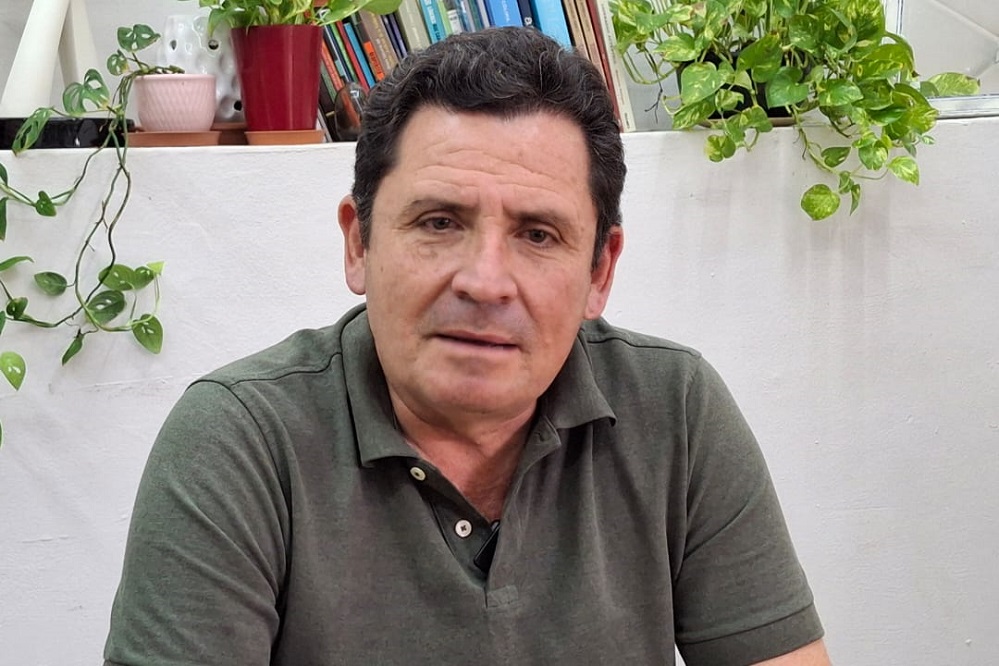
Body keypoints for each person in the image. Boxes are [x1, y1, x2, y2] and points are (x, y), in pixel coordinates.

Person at [104, 27, 829, 666]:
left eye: (538, 235)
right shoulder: (240, 440)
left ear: (598, 273)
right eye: (439, 223)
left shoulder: (676, 411)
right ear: (359, 244)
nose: (484, 282)